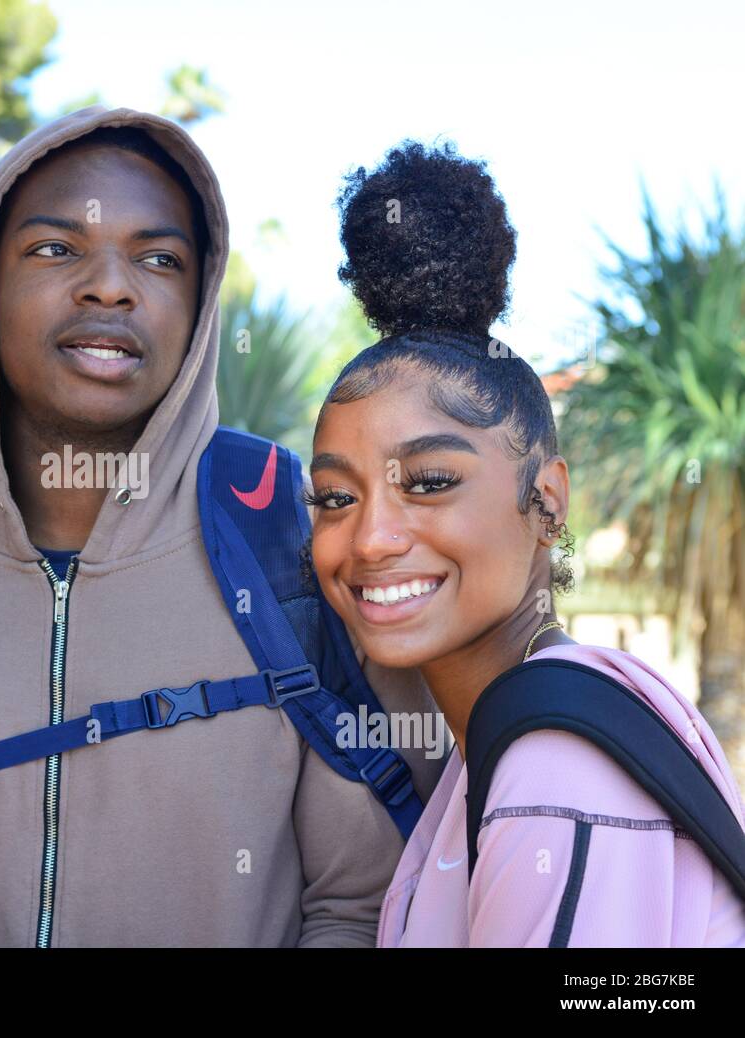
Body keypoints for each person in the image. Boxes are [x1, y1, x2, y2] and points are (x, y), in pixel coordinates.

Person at [0, 105, 447, 947]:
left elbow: (356, 909)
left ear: (201, 302)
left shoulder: (294, 533)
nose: (110, 286)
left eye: (160, 258)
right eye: (56, 249)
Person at [305, 140, 745, 946]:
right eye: (335, 497)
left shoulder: (554, 767)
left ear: (546, 500)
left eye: (430, 482)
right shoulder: (523, 728)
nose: (369, 537)